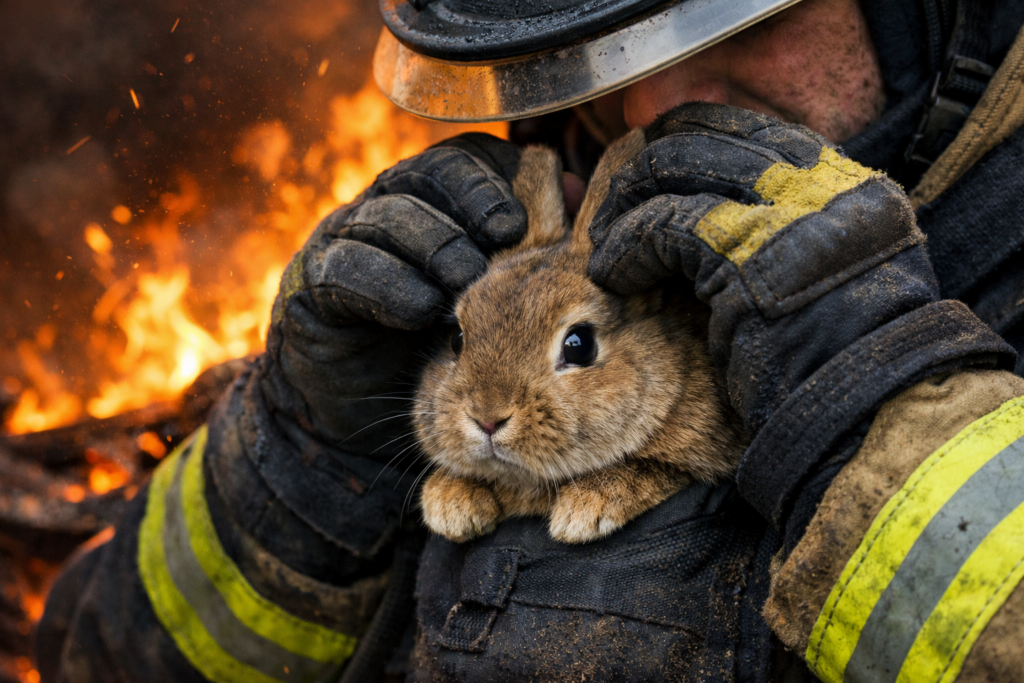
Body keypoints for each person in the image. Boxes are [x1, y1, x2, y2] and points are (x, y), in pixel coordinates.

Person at [37, 0, 1024, 680]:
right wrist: (296, 471)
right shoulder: (522, 247)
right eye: (594, 51)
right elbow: (96, 658)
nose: (650, 111)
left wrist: (866, 386)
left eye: (725, 15)